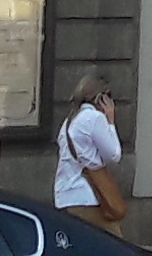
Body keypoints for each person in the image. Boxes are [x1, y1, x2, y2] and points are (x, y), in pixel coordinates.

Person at [56, 71, 127, 230]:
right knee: (111, 241)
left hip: (66, 196)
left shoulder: (70, 120)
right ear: (101, 97)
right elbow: (114, 155)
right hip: (88, 197)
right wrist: (111, 122)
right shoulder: (94, 117)